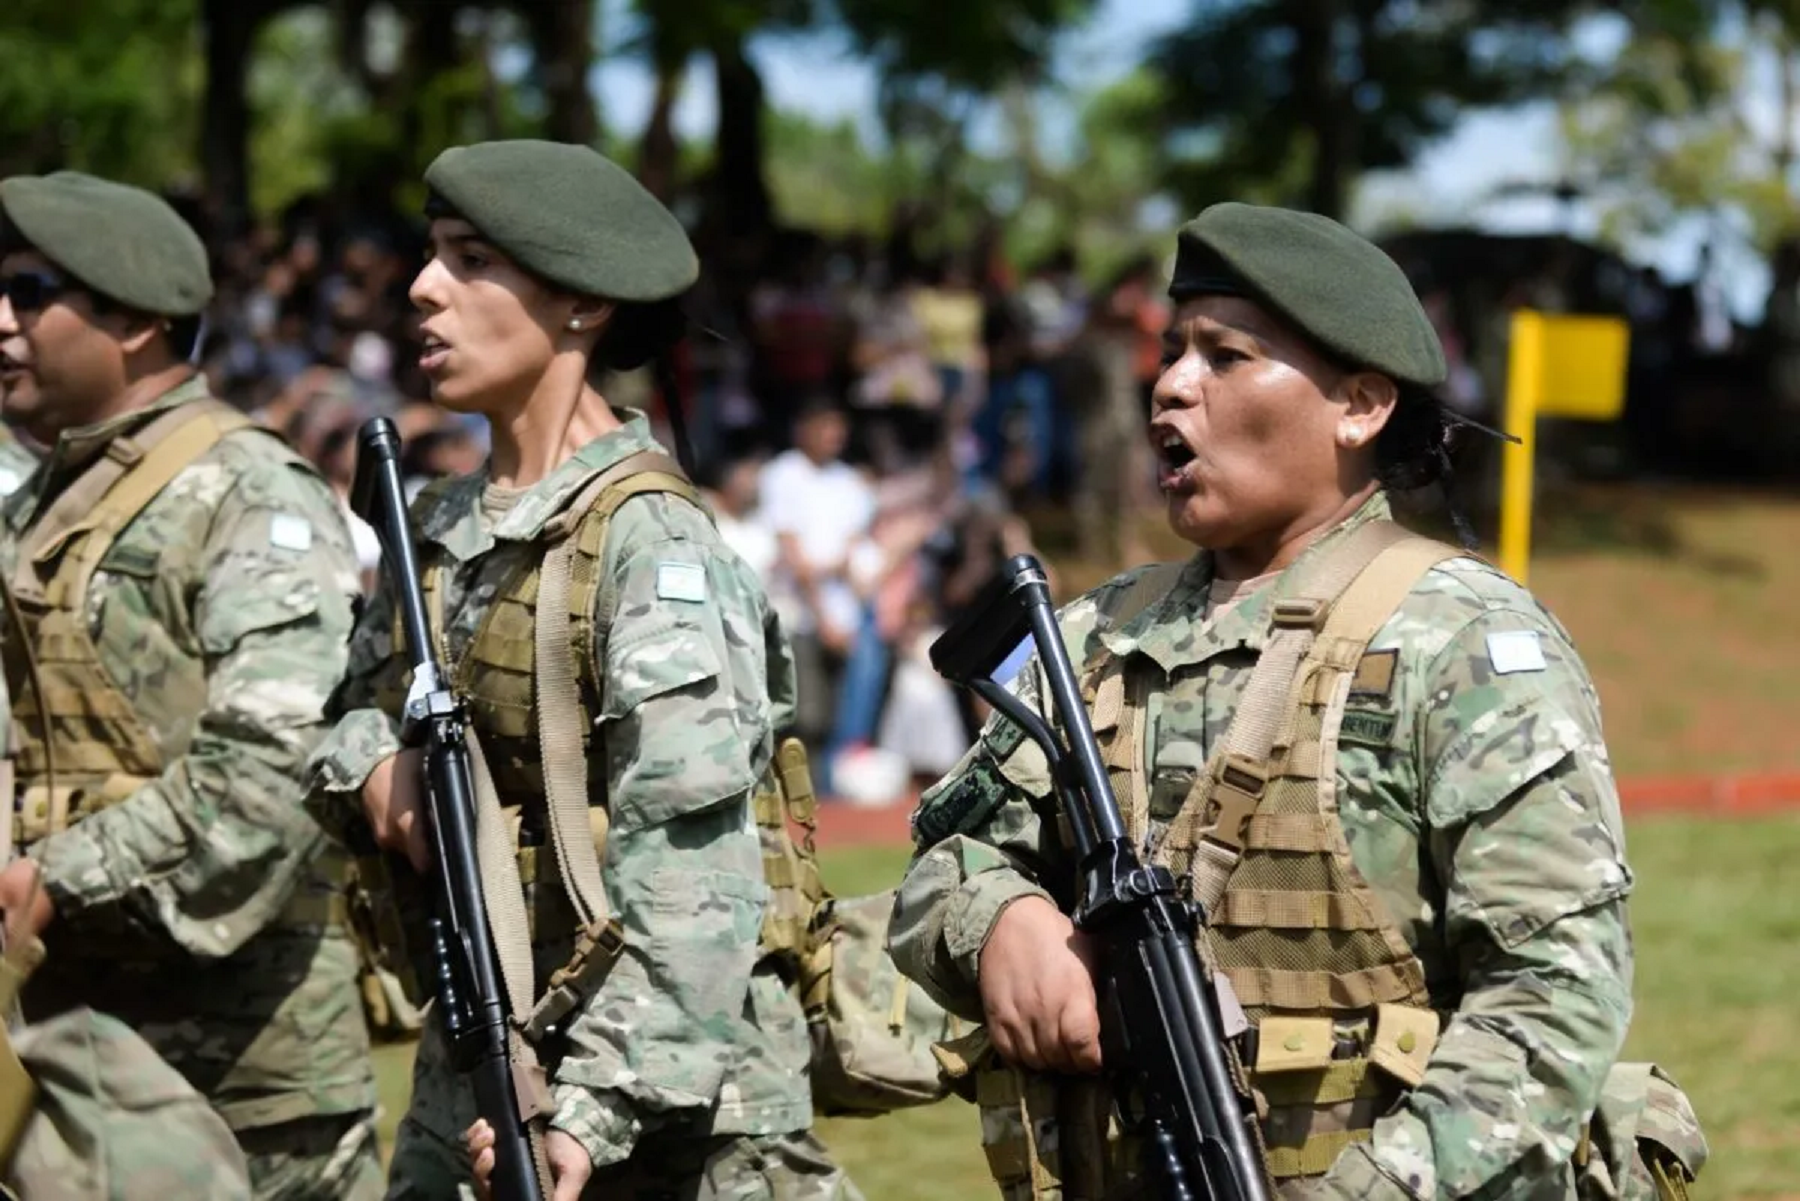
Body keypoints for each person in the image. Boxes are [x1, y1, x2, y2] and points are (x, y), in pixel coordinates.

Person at [889, 203, 1704, 1198]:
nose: (1172, 386)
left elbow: (1554, 992)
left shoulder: (1462, 645)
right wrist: (1002, 919)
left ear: (1360, 405)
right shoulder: (1100, 635)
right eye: (1173, 351)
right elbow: (942, 863)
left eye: (1228, 356)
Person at [303, 140, 857, 1200]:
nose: (423, 288)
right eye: (429, 254)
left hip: (669, 1096)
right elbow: (343, 714)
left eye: (472, 259)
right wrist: (379, 771)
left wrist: (592, 1112)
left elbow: (697, 874)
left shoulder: (652, 545)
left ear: (580, 306)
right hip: (483, 1049)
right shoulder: (439, 525)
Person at [0, 171, 379, 1199]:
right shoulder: (47, 498)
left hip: (248, 1081)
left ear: (135, 321)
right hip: (85, 1049)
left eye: (31, 293)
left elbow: (272, 770)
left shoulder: (248, 490)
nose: (1, 320)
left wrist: (51, 875)